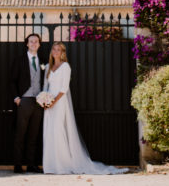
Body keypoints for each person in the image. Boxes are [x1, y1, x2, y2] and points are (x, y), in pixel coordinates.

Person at [42, 41, 127, 175]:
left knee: (59, 131)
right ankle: (50, 165)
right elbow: (45, 86)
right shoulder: (48, 67)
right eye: (54, 49)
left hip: (59, 103)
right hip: (48, 104)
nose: (56, 52)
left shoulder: (65, 67)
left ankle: (62, 165)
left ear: (63, 52)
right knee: (49, 131)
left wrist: (53, 101)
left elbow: (64, 88)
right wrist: (44, 100)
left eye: (59, 50)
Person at [10, 32, 47, 173]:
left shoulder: (43, 61)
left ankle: (31, 164)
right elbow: (12, 81)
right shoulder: (19, 60)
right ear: (27, 43)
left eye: (36, 41)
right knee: (20, 134)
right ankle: (18, 164)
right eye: (31, 41)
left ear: (39, 44)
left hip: (38, 102)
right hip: (24, 100)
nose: (33, 43)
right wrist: (17, 98)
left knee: (34, 135)